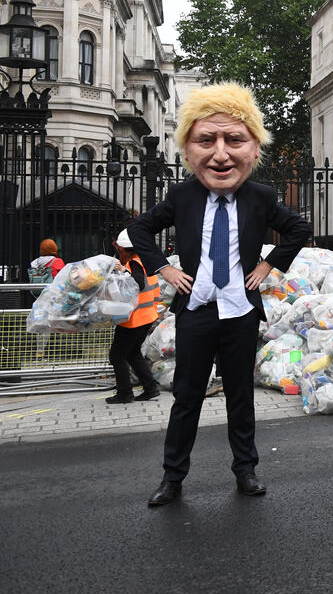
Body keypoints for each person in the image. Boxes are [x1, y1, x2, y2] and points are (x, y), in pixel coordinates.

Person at [127, 82, 311, 508]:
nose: (221, 154)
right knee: (187, 397)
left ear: (254, 148)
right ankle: (173, 478)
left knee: (240, 395)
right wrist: (165, 268)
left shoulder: (261, 197)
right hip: (196, 312)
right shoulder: (182, 196)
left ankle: (245, 471)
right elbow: (139, 229)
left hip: (240, 312)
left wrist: (267, 266)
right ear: (188, 149)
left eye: (235, 140)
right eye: (206, 140)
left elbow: (299, 229)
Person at [105, 229, 160, 405]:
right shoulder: (145, 260)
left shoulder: (134, 264)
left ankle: (124, 393)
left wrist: (123, 271)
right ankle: (150, 388)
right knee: (133, 353)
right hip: (147, 315)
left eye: (119, 248)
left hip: (133, 320)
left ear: (125, 249)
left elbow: (138, 282)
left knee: (117, 356)